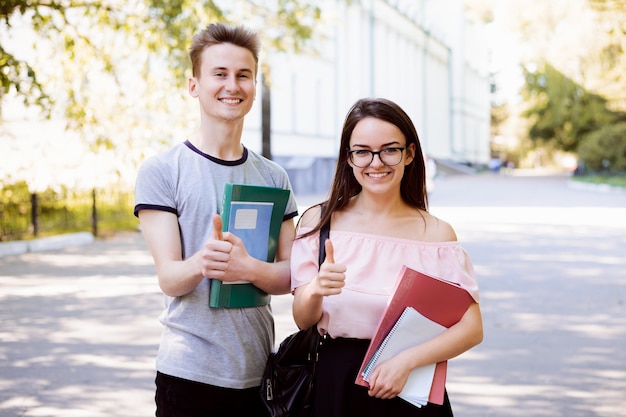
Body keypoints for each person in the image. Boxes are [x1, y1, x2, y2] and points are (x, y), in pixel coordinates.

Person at [133, 22, 298, 417]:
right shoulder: (162, 170)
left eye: (244, 75)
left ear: (255, 87)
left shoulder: (274, 177)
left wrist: (248, 267)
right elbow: (170, 278)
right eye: (219, 74)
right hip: (188, 373)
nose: (233, 85)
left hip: (259, 373)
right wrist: (204, 262)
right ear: (194, 85)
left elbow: (293, 275)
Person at [290, 98, 483, 417]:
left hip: (411, 386)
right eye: (362, 151)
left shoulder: (436, 235)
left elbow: (471, 327)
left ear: (409, 154)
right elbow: (302, 319)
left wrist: (407, 361)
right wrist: (315, 287)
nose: (375, 162)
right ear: (348, 158)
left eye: (389, 149)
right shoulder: (320, 222)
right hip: (336, 385)